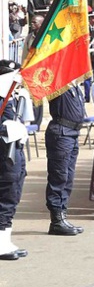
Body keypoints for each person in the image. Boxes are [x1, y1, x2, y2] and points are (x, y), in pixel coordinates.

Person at [0, 60, 33, 260]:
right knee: (5, 197)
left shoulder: (11, 98)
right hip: (4, 154)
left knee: (13, 195)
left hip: (14, 153)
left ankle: (5, 239)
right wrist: (7, 129)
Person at [45, 83, 86, 236]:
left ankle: (62, 216)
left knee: (68, 178)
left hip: (72, 133)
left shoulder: (74, 85)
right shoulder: (58, 83)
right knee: (59, 177)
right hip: (61, 133)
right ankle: (56, 220)